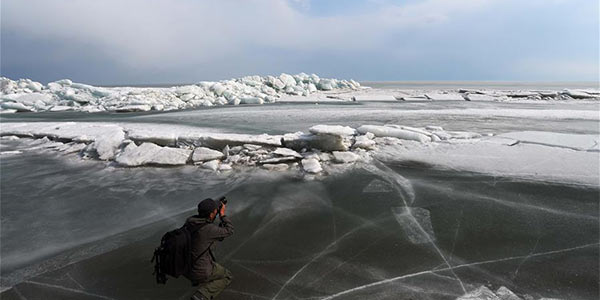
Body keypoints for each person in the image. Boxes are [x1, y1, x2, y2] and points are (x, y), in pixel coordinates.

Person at [185, 198, 234, 300]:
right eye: (215, 210)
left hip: (185, 267)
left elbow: (216, 236)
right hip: (199, 270)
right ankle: (201, 296)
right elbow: (229, 230)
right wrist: (222, 215)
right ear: (212, 214)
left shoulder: (190, 221)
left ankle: (197, 280)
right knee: (227, 276)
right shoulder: (208, 230)